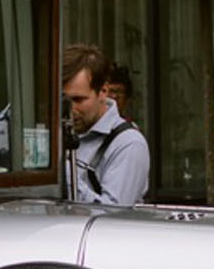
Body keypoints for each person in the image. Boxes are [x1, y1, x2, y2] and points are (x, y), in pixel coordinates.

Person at [62, 42, 150, 204]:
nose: (70, 110)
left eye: (78, 100)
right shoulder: (56, 134)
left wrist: (64, 174)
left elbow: (112, 216)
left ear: (103, 91)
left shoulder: (128, 144)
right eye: (64, 101)